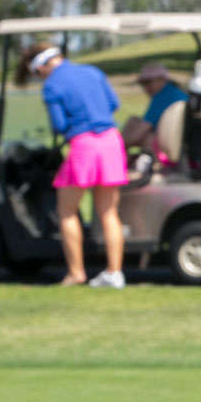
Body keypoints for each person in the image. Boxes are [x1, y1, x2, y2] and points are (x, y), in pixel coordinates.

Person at [19, 43, 129, 289]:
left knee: (66, 211)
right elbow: (113, 104)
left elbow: (59, 125)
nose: (38, 78)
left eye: (36, 73)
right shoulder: (93, 72)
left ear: (42, 67)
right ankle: (114, 273)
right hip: (111, 141)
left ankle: (76, 272)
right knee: (109, 212)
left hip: (84, 145)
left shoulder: (51, 86)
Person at [121, 61, 188, 165]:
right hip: (181, 141)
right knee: (134, 120)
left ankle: (120, 159)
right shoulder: (173, 91)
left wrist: (118, 145)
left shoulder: (163, 96)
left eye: (148, 82)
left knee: (144, 134)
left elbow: (139, 133)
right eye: (142, 83)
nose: (145, 87)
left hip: (176, 144)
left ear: (162, 79)